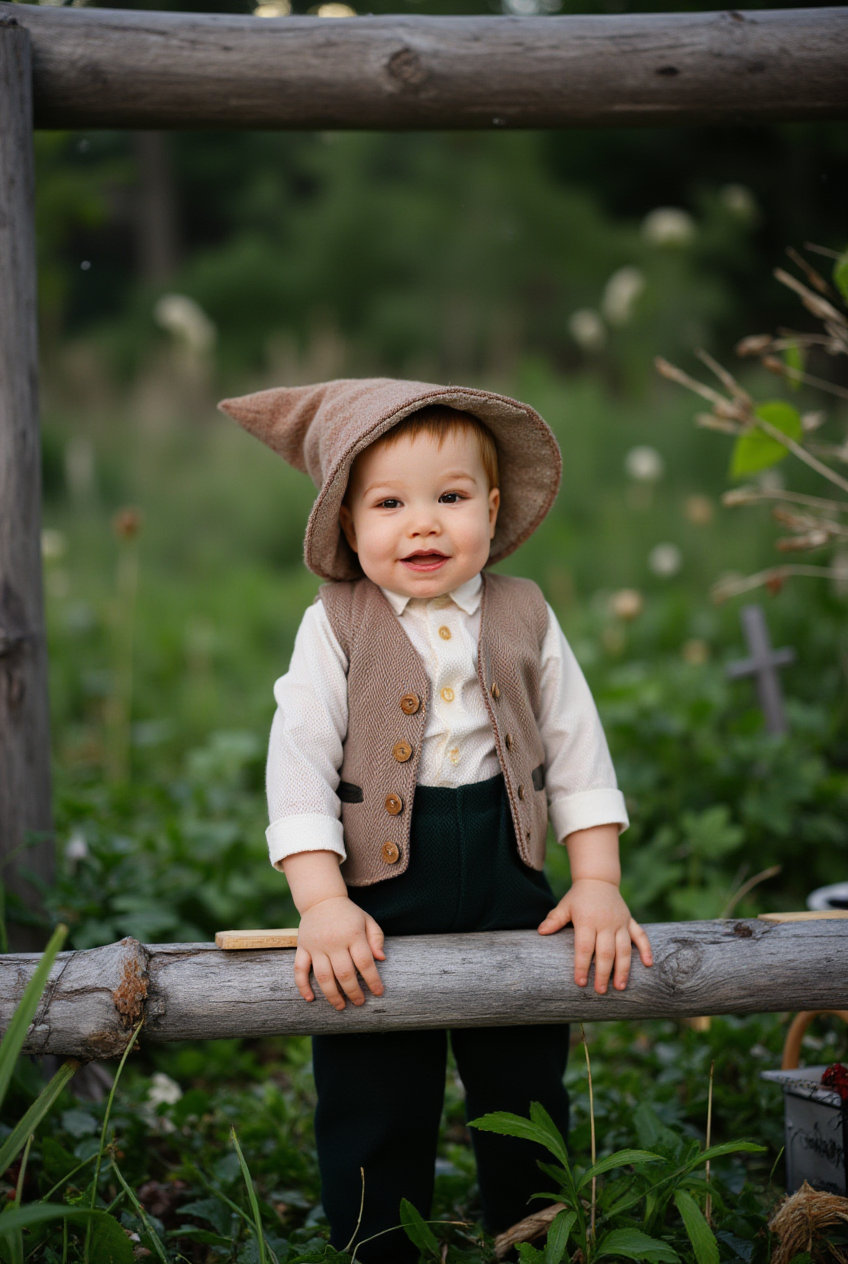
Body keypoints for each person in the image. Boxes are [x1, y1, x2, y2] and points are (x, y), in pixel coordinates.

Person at [218, 377, 653, 1263]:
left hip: (507, 873)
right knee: (372, 1084)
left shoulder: (527, 611)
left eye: (450, 498)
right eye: (390, 504)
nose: (423, 525)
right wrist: (322, 902)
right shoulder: (335, 623)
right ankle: (375, 1241)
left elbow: (576, 746)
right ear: (348, 526)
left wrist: (597, 882)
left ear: (491, 509)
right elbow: (297, 761)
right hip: (378, 893)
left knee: (525, 1078)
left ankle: (534, 1232)